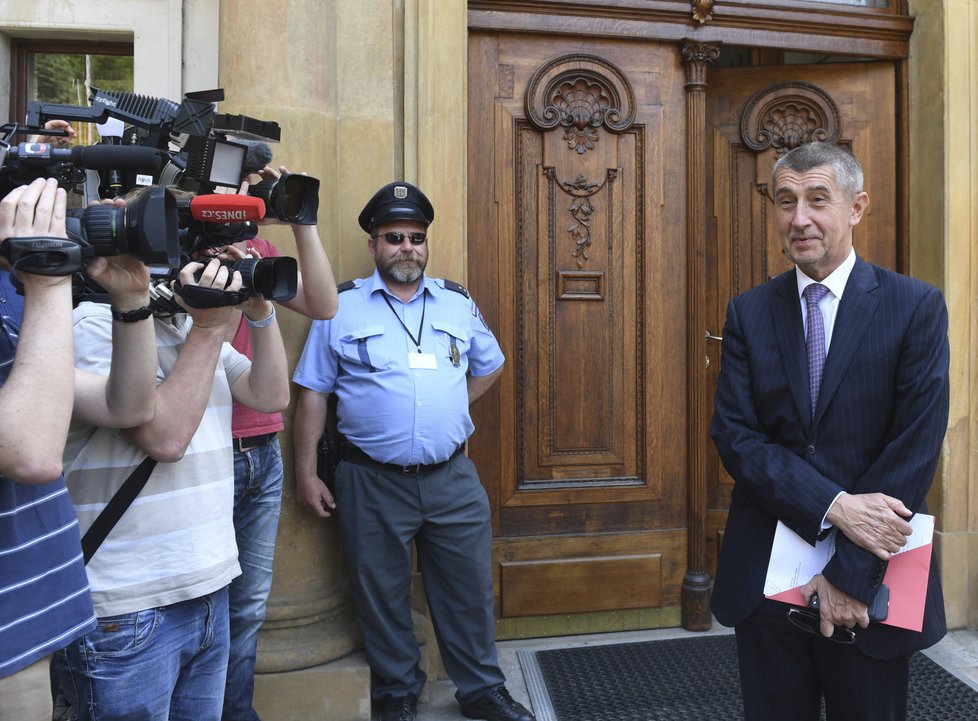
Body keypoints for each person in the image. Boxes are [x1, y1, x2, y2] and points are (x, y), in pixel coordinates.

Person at [710, 141, 949, 721]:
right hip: (766, 578)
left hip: (875, 578)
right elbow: (737, 436)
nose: (800, 218)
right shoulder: (749, 312)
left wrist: (850, 575)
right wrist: (835, 504)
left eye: (818, 199)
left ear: (857, 207)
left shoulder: (915, 305)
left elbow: (914, 448)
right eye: (785, 201)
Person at [292, 182, 535, 721]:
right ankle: (398, 691)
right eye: (393, 237)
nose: (407, 247)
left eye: (416, 237)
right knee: (380, 593)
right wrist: (306, 473)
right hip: (371, 478)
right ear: (375, 246)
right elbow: (312, 392)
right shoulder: (341, 307)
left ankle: (481, 690)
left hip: (452, 478)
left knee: (469, 590)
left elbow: (489, 365)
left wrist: (453, 406)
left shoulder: (456, 301)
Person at [50, 228, 291, 720]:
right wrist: (207, 329)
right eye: (198, 258)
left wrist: (259, 311)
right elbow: (165, 439)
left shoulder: (188, 329)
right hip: (128, 605)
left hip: (207, 585)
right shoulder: (92, 326)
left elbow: (270, 396)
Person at [0, 177, 158, 720]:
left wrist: (132, 298)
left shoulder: (6, 291)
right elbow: (31, 453)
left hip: (31, 620)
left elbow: (127, 406)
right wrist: (48, 280)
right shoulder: (32, 286)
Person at [217, 160, 338, 721]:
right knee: (201, 608)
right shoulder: (171, 242)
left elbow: (323, 305)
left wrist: (301, 220)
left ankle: (236, 713)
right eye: (238, 180)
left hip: (262, 450)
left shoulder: (259, 251)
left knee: (247, 609)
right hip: (204, 449)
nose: (251, 192)